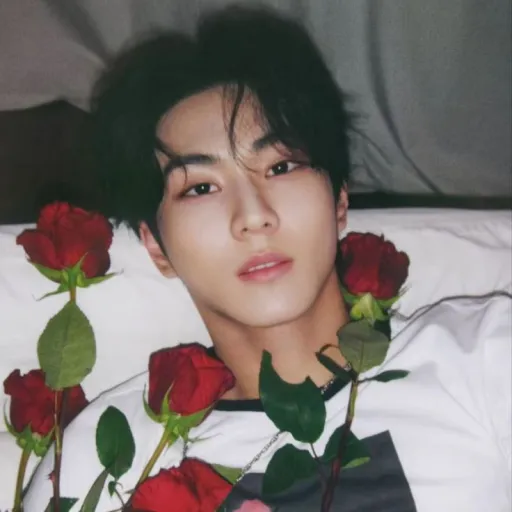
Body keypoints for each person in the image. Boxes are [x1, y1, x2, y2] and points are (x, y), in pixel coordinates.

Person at [24, 6, 511, 511]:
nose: (253, 216)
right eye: (200, 188)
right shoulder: (104, 455)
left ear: (339, 199)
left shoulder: (481, 357)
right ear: (155, 246)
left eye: (281, 167)